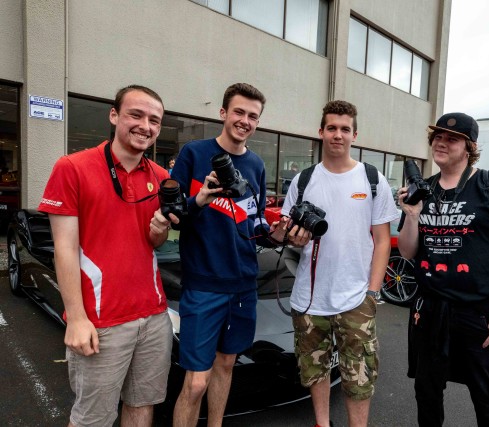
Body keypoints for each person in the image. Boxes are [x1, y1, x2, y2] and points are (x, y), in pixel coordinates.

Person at [38, 85, 176, 427]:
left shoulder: (161, 177)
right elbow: (64, 249)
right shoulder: (72, 167)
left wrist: (160, 228)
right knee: (92, 419)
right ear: (114, 115)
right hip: (101, 321)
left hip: (154, 315)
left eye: (154, 120)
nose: (145, 126)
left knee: (142, 406)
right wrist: (76, 318)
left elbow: (154, 242)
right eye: (136, 115)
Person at [171, 83, 298, 427]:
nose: (245, 120)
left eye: (252, 116)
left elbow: (253, 224)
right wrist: (200, 198)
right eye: (239, 112)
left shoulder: (255, 165)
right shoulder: (194, 154)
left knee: (226, 365)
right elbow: (173, 214)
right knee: (196, 382)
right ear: (223, 113)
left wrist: (276, 234)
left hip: (243, 283)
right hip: (204, 283)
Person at [396, 112, 489, 426]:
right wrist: (411, 215)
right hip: (429, 311)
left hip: (477, 313)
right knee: (427, 393)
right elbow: (408, 251)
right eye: (438, 137)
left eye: (452, 139)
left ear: (470, 147)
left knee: (488, 398)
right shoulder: (422, 189)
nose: (441, 142)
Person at [279, 100, 399, 427]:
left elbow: (383, 241)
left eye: (345, 129)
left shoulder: (372, 179)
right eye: (331, 128)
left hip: (356, 297)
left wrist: (372, 294)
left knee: (359, 376)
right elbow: (284, 233)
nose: (338, 135)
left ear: (354, 135)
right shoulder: (303, 181)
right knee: (314, 370)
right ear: (321, 132)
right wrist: (290, 237)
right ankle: (322, 423)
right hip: (309, 298)